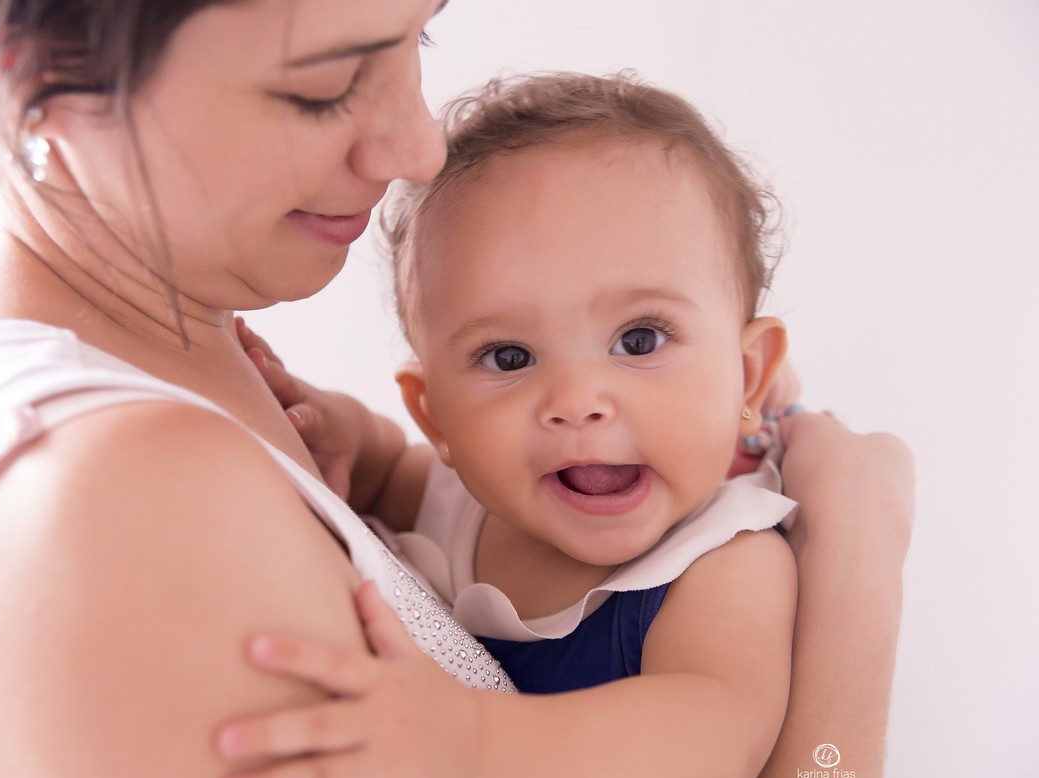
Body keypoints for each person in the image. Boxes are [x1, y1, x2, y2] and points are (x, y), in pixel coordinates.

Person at [0, 1, 913, 778]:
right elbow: (428, 484)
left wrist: (345, 443)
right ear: (38, 75)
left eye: (418, 36)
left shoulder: (720, 562)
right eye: (323, 83)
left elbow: (711, 726)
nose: (417, 146)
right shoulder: (121, 503)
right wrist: (858, 566)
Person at [233, 72, 803, 705]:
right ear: (436, 416)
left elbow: (709, 738)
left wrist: (470, 737)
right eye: (510, 357)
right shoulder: (469, 505)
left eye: (639, 340)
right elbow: (383, 474)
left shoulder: (727, 562)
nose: (576, 402)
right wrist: (336, 430)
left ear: (749, 374)